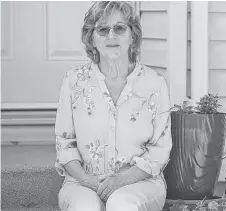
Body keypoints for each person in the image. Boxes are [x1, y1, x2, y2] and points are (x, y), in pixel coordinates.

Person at [55, 1, 172, 211]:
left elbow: (159, 151)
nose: (111, 36)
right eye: (102, 29)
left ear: (133, 35)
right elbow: (65, 145)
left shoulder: (155, 84)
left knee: (121, 204)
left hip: (140, 184)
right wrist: (89, 181)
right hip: (81, 183)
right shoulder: (73, 81)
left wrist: (120, 181)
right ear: (91, 37)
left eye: (119, 28)